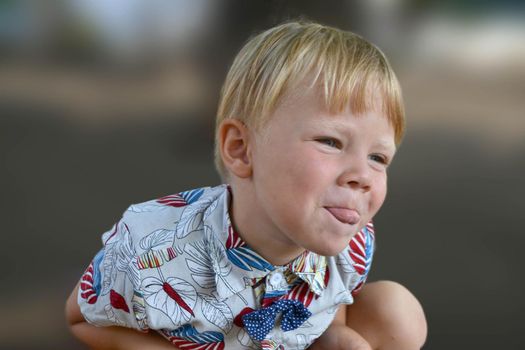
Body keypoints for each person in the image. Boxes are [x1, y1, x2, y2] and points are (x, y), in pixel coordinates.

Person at [66, 21, 427, 350]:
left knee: (397, 314)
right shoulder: (153, 250)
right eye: (331, 141)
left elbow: (332, 297)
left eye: (378, 158)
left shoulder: (350, 239)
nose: (362, 176)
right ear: (241, 149)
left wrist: (336, 334)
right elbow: (81, 317)